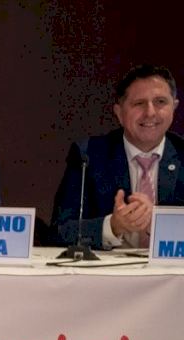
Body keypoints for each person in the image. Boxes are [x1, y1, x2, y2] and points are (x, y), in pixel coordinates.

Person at [51, 64, 183, 249]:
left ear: (174, 107)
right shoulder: (89, 155)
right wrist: (112, 226)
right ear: (119, 113)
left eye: (160, 102)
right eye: (139, 103)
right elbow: (59, 231)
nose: (150, 112)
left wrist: (160, 225)